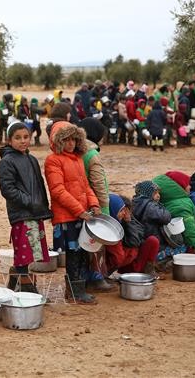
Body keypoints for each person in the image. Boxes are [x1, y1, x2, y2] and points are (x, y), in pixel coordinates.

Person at [44, 121, 101, 304]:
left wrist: (94, 204)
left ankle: (78, 289)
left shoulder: (77, 159)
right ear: (58, 141)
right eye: (66, 140)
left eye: (74, 139)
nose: (71, 144)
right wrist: (80, 210)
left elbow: (86, 186)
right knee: (74, 254)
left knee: (83, 251)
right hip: (68, 216)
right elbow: (58, 191)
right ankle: (75, 292)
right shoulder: (53, 160)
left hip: (82, 214)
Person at [0, 122, 52, 293]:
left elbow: (39, 185)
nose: (23, 141)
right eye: (18, 138)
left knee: (32, 250)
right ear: (9, 140)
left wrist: (43, 206)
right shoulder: (6, 162)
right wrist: (29, 202)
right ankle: (28, 288)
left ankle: (17, 278)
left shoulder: (32, 159)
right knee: (23, 251)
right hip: (21, 213)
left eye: (26, 137)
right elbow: (8, 190)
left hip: (35, 212)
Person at [152, 171, 195, 263]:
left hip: (160, 243)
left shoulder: (164, 200)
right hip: (167, 247)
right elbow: (192, 233)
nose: (190, 187)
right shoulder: (181, 206)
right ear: (180, 187)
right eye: (187, 184)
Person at [78, 118, 114, 292]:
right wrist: (104, 207)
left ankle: (86, 278)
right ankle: (98, 279)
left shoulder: (78, 151)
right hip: (95, 205)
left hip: (80, 204)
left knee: (84, 244)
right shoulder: (92, 154)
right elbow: (99, 184)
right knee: (97, 245)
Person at [105, 194, 161, 278]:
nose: (125, 213)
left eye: (126, 210)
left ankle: (147, 270)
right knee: (122, 254)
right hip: (123, 264)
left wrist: (129, 222)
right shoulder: (111, 228)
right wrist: (127, 223)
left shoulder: (127, 218)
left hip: (132, 259)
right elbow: (133, 242)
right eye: (122, 210)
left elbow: (140, 235)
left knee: (153, 240)